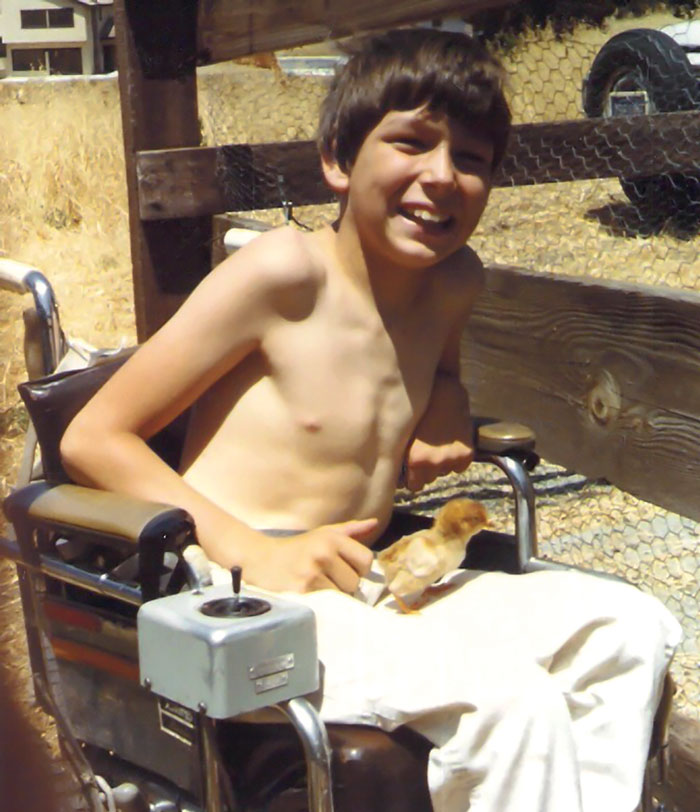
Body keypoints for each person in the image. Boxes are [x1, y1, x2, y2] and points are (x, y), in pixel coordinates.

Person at [60, 28, 680, 812]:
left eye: (473, 160)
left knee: (625, 629)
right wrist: (253, 551)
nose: (442, 177)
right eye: (411, 143)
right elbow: (93, 436)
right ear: (338, 161)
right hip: (245, 587)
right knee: (505, 703)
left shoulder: (454, 282)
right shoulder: (284, 273)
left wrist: (445, 414)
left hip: (379, 577)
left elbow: (443, 374)